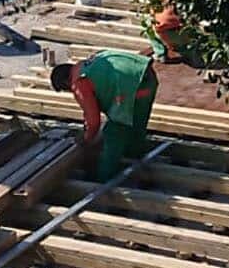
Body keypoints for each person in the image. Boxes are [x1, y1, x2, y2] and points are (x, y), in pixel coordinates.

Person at [50, 49, 158, 178]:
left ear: (66, 82)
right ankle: (135, 155)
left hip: (130, 90)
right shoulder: (90, 63)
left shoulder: (79, 82)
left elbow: (94, 120)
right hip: (148, 78)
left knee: (113, 132)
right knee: (136, 125)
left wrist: (86, 139)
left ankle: (104, 176)